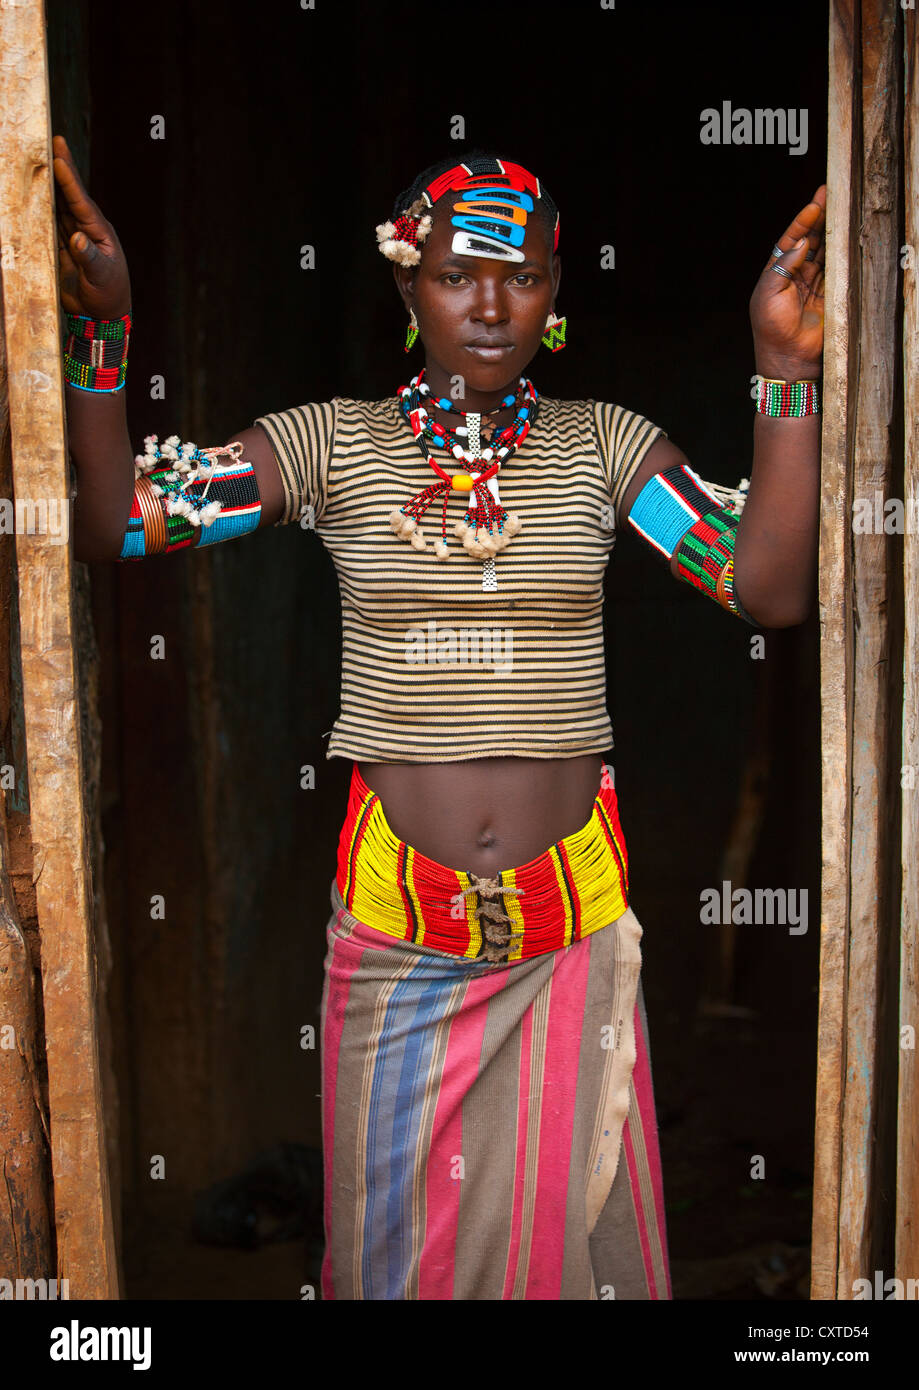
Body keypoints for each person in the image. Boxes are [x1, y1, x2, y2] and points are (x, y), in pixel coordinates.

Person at [54, 136, 826, 1300]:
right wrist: (104, 331)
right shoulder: (330, 445)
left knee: (567, 1260)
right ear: (407, 283)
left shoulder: (604, 449)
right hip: (397, 944)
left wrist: (781, 366)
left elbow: (766, 588)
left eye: (522, 276)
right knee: (391, 1264)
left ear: (554, 294)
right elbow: (117, 519)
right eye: (458, 273)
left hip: (569, 935)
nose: (490, 305)